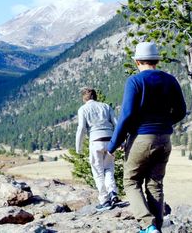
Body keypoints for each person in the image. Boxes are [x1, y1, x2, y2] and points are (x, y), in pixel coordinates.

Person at [107, 42, 186, 233]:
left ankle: (147, 225)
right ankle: (156, 228)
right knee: (155, 183)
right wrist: (165, 123)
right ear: (156, 60)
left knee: (131, 182)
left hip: (141, 138)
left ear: (137, 61)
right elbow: (181, 111)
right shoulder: (170, 80)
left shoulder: (135, 81)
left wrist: (113, 145)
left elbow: (126, 115)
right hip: (165, 139)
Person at [76, 88, 120, 212]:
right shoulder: (106, 106)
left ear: (84, 98)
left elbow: (81, 129)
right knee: (109, 167)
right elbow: (116, 123)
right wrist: (119, 141)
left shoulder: (83, 109)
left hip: (96, 141)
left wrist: (78, 148)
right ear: (95, 96)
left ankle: (104, 200)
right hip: (110, 140)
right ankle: (113, 192)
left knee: (98, 171)